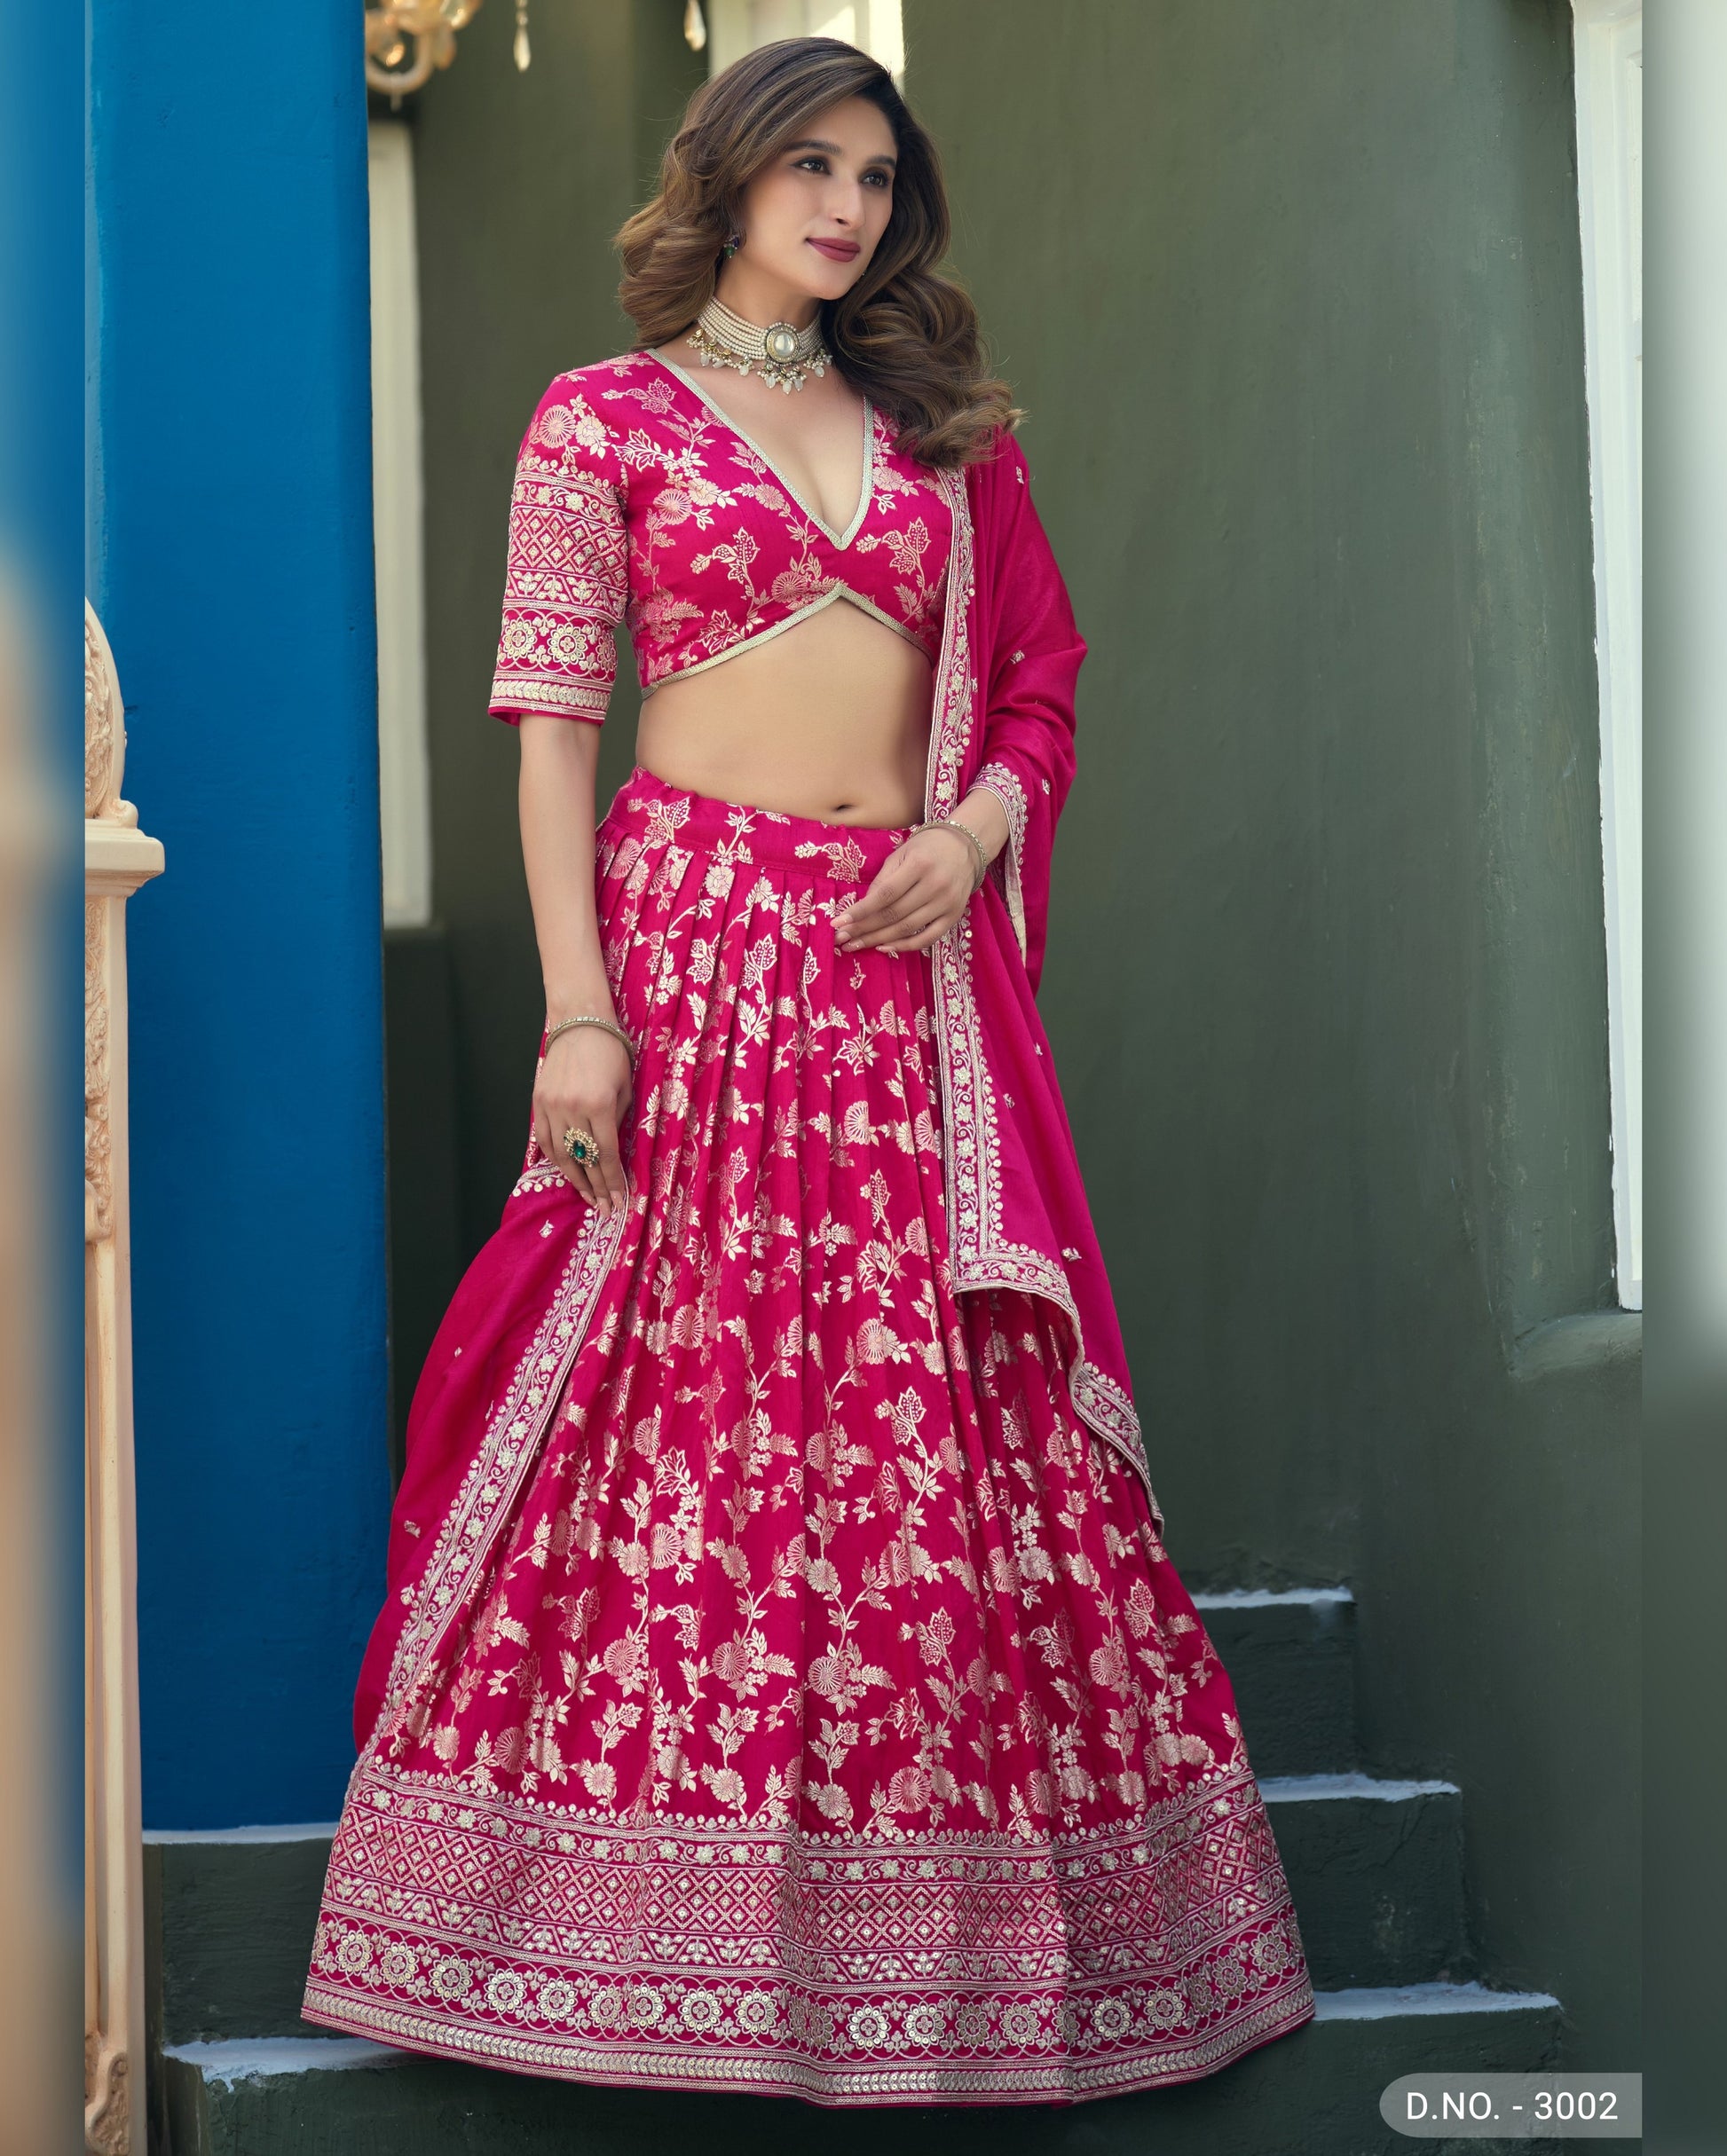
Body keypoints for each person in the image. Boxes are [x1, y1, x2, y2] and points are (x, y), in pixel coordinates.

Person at [303, 35, 1315, 2105]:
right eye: (811, 167)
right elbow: (552, 739)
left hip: (897, 981)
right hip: (695, 957)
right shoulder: (601, 421)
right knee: (677, 1400)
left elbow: (1033, 686)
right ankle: (593, 1939)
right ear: (731, 175)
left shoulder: (945, 437)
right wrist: (581, 1013)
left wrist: (966, 837)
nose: (846, 205)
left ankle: (951, 1955)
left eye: (875, 173)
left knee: (931, 1423)